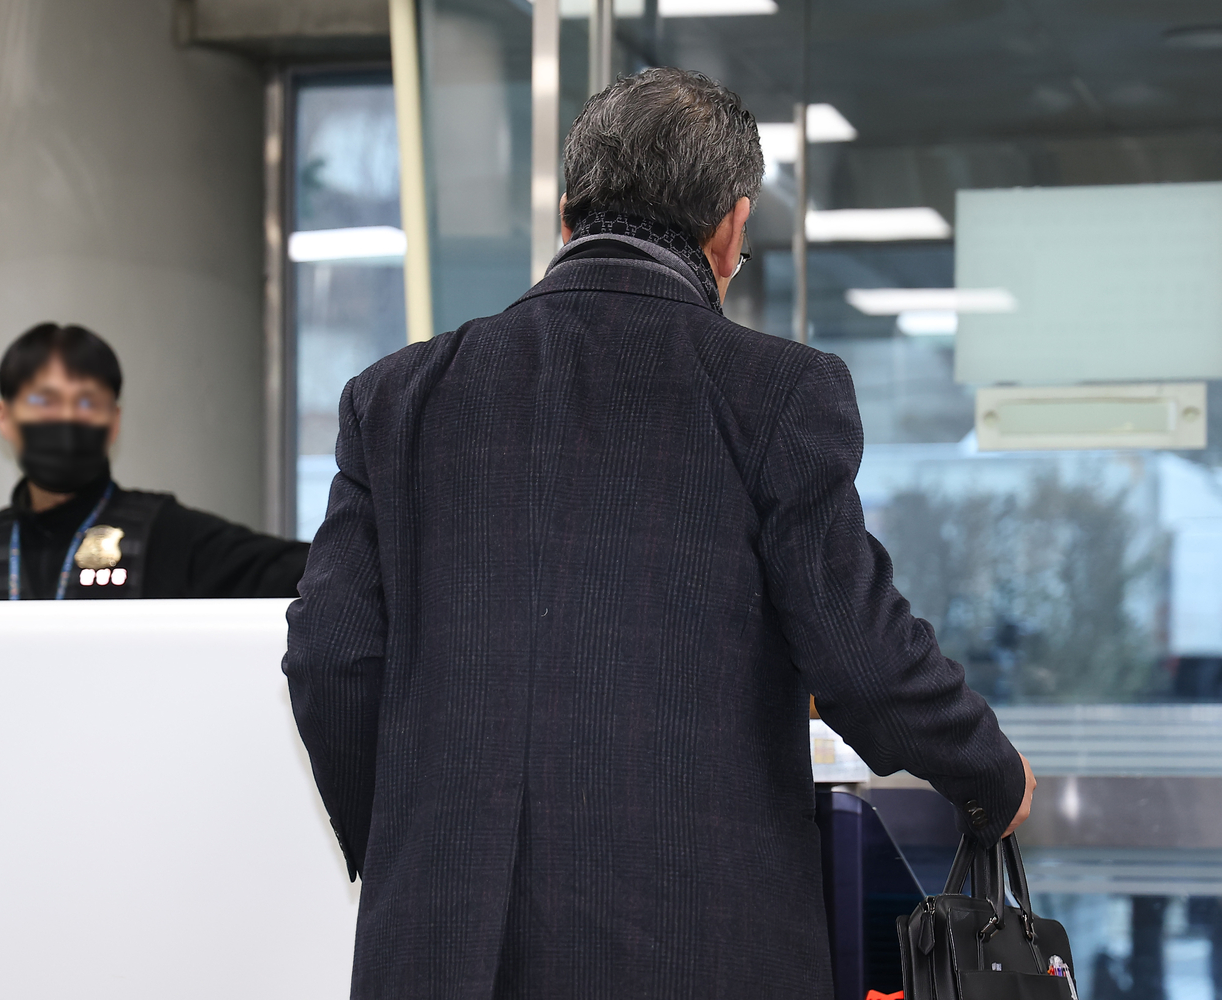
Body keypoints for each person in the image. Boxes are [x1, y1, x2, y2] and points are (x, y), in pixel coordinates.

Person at [285, 68, 1035, 1000]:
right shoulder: (775, 392)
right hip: (694, 943)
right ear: (729, 228)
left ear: (565, 216)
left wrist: (417, 853)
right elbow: (858, 650)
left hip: (441, 950)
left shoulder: (397, 396)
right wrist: (987, 777)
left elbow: (331, 658)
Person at [0, 323, 309, 600]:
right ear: (4, 417)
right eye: (45, 401)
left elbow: (305, 570)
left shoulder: (165, 533)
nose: (68, 417)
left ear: (114, 422)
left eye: (88, 402)